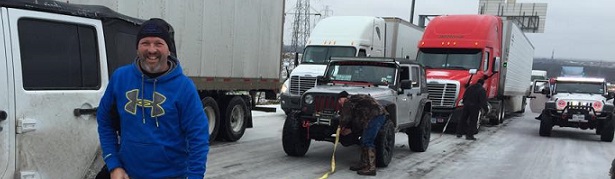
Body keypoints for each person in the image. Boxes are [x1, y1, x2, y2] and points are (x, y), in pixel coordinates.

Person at [97, 18, 209, 179]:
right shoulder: (120, 78)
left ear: (168, 49)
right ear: (137, 48)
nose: (151, 49)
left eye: (158, 43)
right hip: (127, 174)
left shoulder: (184, 87)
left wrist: (195, 176)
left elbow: (198, 137)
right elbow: (105, 121)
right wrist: (114, 165)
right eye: (145, 43)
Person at [338, 91, 387, 176]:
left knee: (367, 141)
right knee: (364, 140)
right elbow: (358, 119)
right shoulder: (355, 99)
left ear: (344, 98)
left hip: (374, 116)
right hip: (378, 115)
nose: (339, 102)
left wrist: (341, 127)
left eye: (339, 100)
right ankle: (364, 164)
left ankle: (371, 168)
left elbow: (346, 118)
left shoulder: (348, 101)